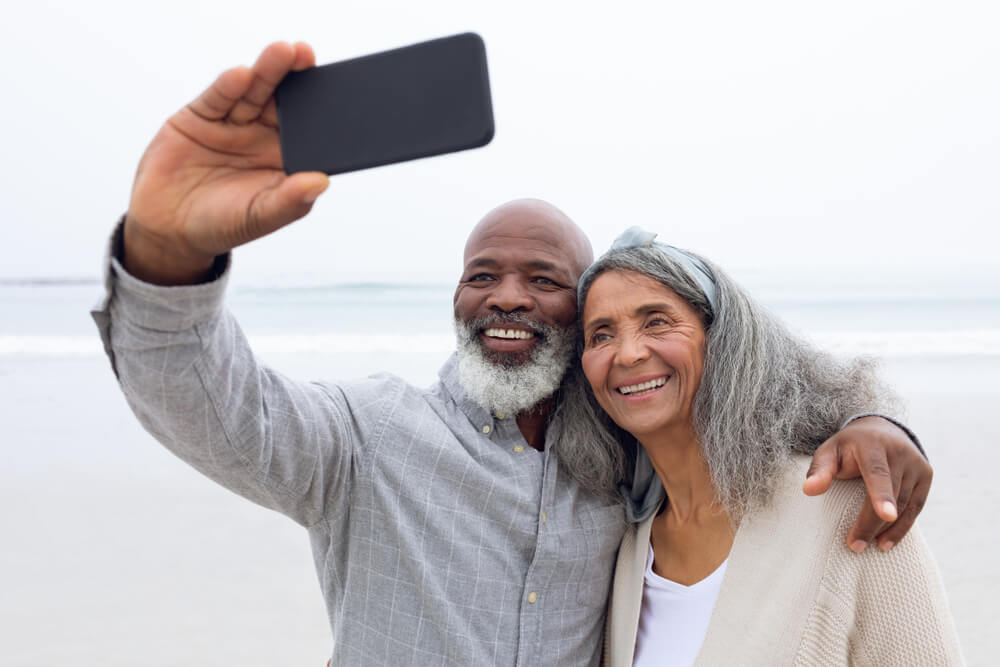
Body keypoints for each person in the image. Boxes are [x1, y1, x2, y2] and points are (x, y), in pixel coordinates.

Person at [92, 42, 934, 665]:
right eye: (481, 275)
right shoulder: (369, 436)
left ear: (579, 316)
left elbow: (741, 407)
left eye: (543, 278)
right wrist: (168, 251)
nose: (505, 296)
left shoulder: (621, 469)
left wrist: (870, 416)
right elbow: (213, 405)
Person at [576, 228, 963, 666]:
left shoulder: (849, 508)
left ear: (721, 339)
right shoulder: (626, 546)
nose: (627, 354)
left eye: (657, 322)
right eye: (601, 335)